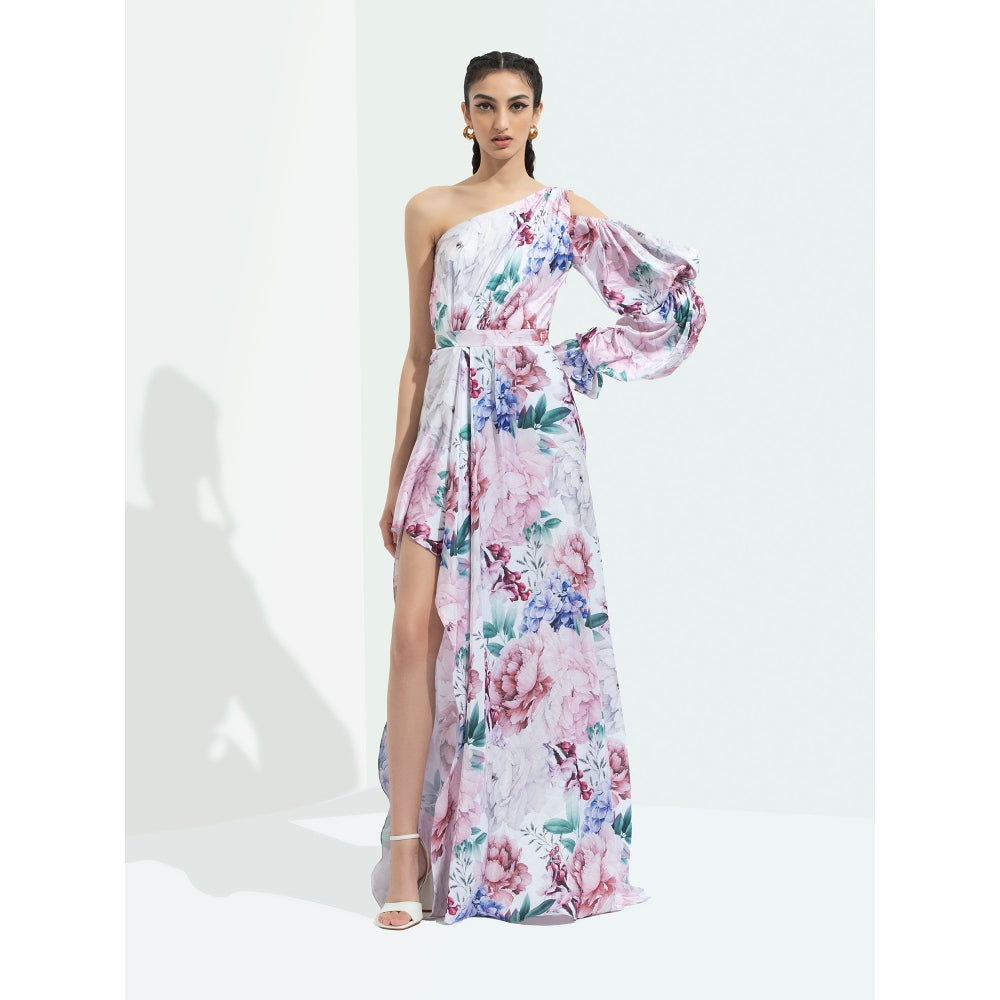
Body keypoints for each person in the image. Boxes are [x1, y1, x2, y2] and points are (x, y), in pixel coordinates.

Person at [372, 50, 707, 929]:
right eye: (485, 105)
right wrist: (396, 473)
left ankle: (507, 846)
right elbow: (418, 356)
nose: (501, 121)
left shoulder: (562, 213)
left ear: (538, 116)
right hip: (445, 430)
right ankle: (405, 851)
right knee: (413, 633)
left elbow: (666, 301)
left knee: (528, 639)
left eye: (517, 105)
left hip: (530, 443)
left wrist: (567, 363)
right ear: (464, 114)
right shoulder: (428, 210)